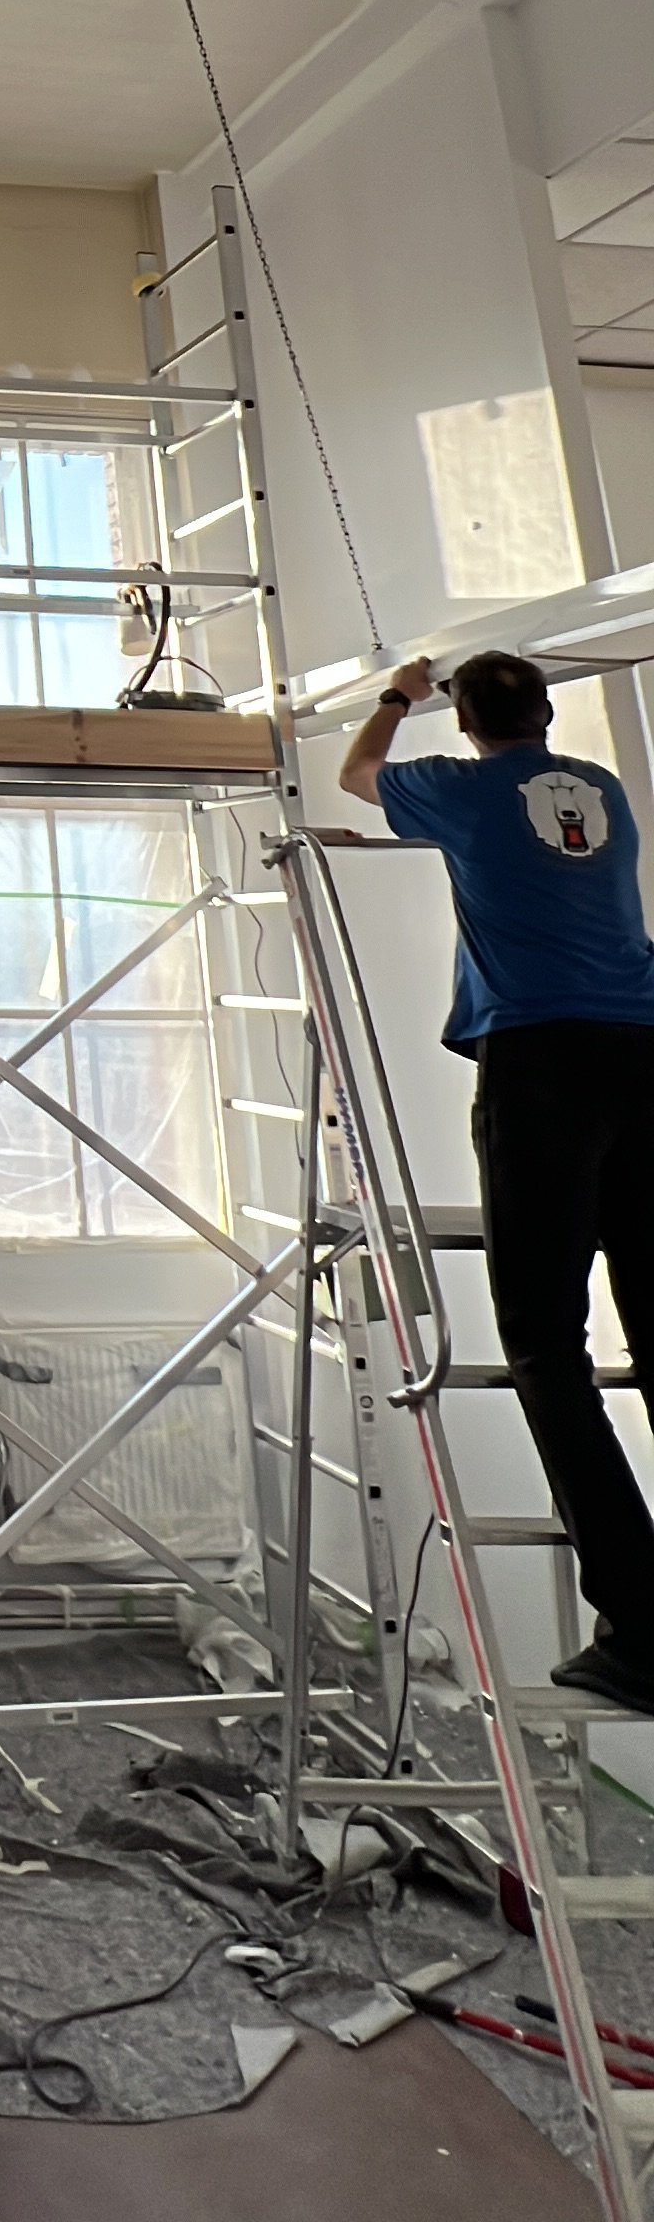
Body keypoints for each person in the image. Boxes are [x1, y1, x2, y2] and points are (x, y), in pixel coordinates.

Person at [340, 649, 654, 1714]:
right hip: (643, 1056)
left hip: (544, 1068)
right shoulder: (603, 792)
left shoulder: (463, 790)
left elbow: (356, 773)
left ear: (464, 721)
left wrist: (397, 695)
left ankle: (645, 1627)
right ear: (550, 712)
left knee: (545, 1347)